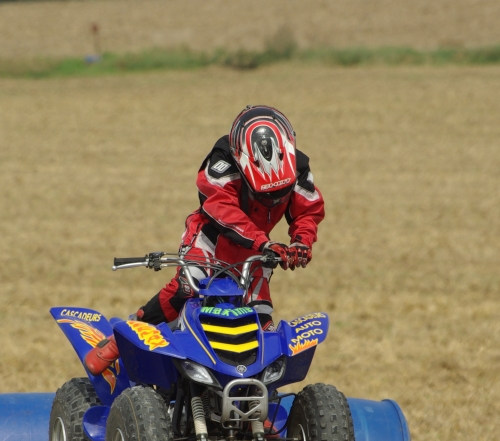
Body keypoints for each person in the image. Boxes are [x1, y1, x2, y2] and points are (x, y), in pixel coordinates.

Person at [85, 105, 325, 375]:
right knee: (186, 290)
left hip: (257, 250)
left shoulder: (299, 166)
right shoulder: (221, 162)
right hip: (211, 237)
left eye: (280, 192)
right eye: (263, 194)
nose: (272, 200)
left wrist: (301, 243)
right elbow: (221, 209)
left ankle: (257, 400)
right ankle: (121, 340)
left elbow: (308, 210)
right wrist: (264, 243)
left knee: (259, 315)